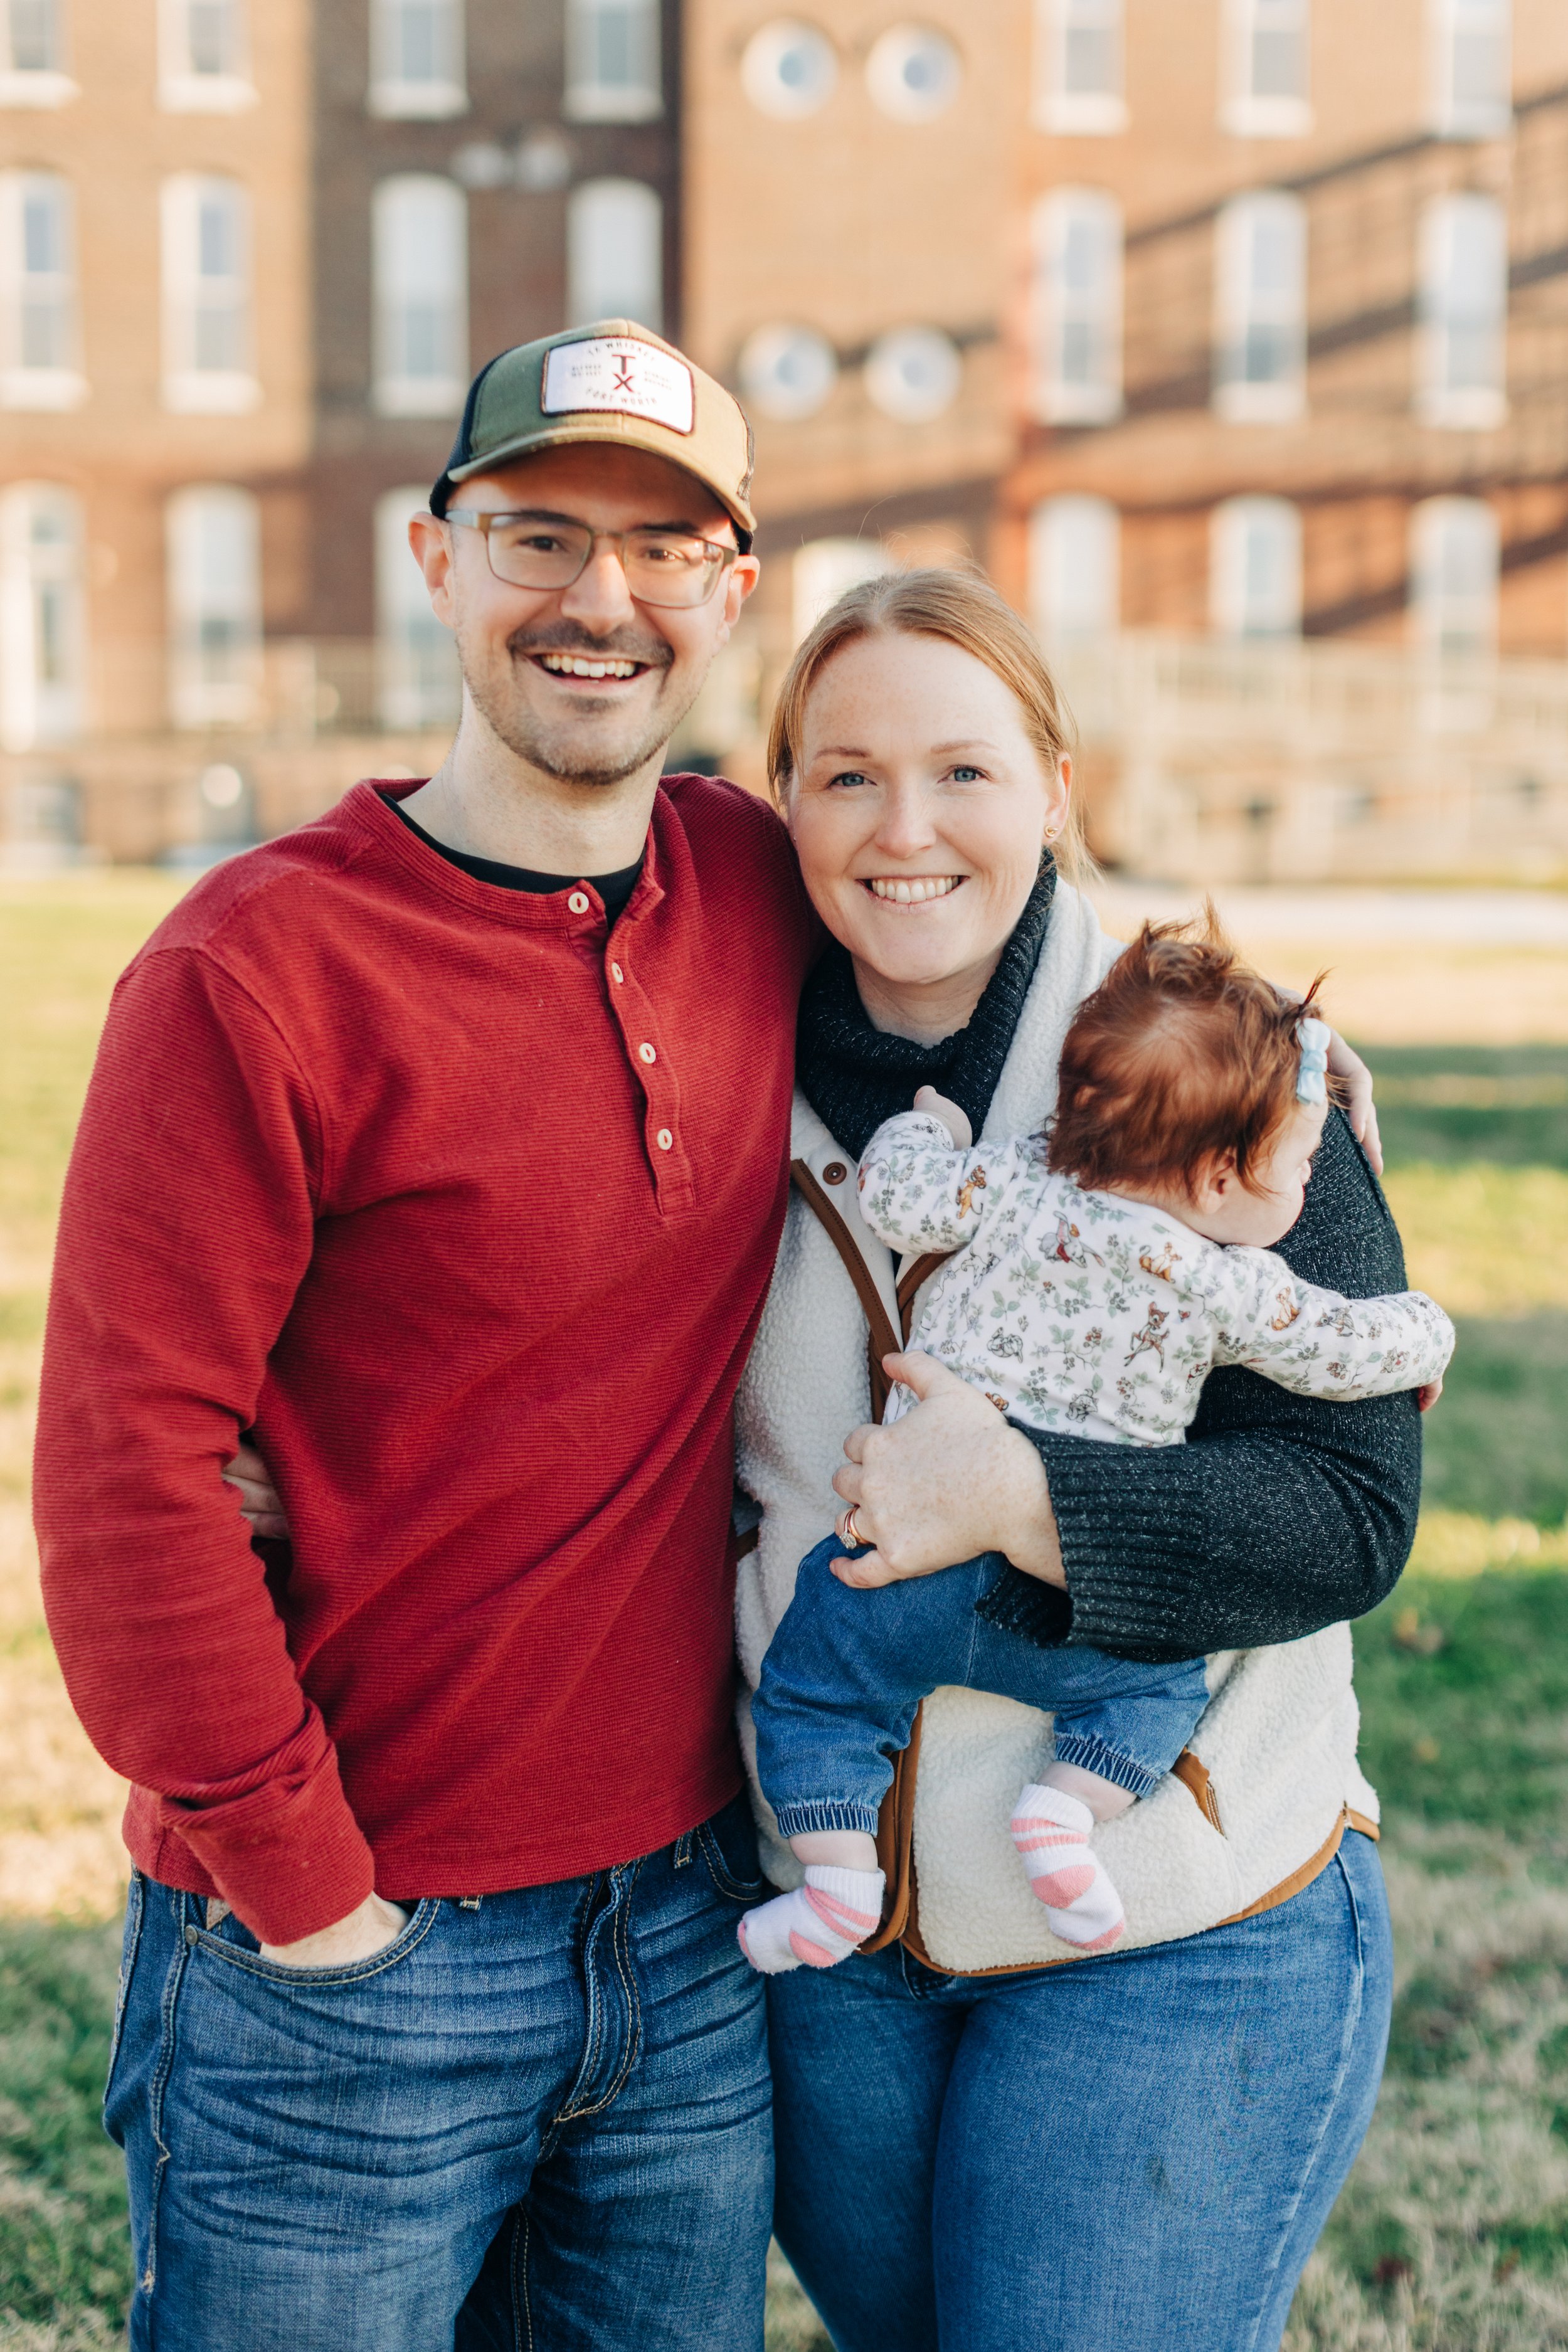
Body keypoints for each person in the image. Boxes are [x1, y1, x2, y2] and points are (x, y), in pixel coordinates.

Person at [33, 322, 820, 2351]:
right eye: (539, 535)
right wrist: (313, 1901)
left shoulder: (758, 878)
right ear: (436, 558)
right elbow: (125, 1489)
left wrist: (1283, 1074)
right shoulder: (251, 972)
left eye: (662, 552)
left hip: (691, 1935)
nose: (601, 601)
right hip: (350, 1958)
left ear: (732, 596)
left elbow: (992, 920)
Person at [732, 566, 1417, 2352]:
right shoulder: (709, 1060)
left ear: (1053, 782)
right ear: (777, 798)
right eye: (843, 773)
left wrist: (1026, 1497)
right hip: (836, 1915)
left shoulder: (1216, 1060)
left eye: (963, 771)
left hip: (1171, 1908)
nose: (903, 829)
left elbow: (1348, 1509)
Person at [739, 924, 1453, 1974]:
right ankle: (1066, 1815)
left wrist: (923, 1127)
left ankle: (837, 1876)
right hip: (1062, 1608)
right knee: (1159, 1691)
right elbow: (1345, 1340)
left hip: (898, 1576)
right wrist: (1427, 1334)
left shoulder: (1016, 1181)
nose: (1308, 1184)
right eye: (1301, 1164)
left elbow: (899, 1193)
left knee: (811, 1684)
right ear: (1218, 1182)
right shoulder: (1226, 1280)